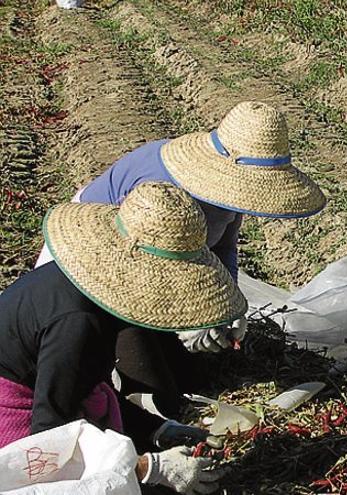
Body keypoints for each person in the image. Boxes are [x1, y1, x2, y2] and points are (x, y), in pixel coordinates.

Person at [34, 100, 326, 419]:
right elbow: (132, 277)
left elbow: (223, 246)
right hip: (95, 280)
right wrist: (191, 321)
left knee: (195, 380)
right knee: (157, 397)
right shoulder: (160, 192)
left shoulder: (226, 192)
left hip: (155, 282)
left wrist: (226, 307)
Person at [0, 182, 248, 493]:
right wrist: (150, 468)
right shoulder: (79, 325)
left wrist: (158, 430)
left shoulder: (84, 288)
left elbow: (82, 383)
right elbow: (52, 438)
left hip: (42, 391)